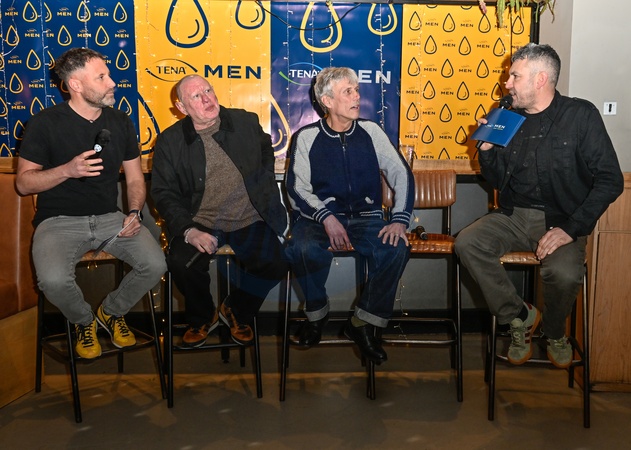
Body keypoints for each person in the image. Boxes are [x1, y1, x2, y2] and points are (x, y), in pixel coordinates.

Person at [456, 43, 623, 368]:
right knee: (467, 243)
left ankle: (555, 331)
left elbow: (611, 180)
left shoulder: (580, 115)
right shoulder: (507, 117)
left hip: (562, 219)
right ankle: (519, 316)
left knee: (564, 273)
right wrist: (487, 152)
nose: (507, 84)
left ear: (540, 79)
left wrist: (570, 229)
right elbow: (497, 179)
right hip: (513, 215)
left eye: (514, 76)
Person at [16, 48, 167, 359]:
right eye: (101, 77)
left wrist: (134, 212)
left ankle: (110, 312)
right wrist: (67, 170)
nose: (112, 82)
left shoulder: (120, 121)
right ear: (75, 85)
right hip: (58, 222)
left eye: (108, 74)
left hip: (110, 217)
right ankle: (84, 321)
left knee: (156, 265)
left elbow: (135, 179)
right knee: (53, 281)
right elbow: (23, 183)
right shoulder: (44, 123)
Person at [285, 67, 414, 364]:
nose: (357, 97)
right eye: (348, 92)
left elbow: (401, 173)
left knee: (396, 247)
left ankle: (362, 322)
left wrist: (399, 219)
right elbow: (296, 188)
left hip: (367, 217)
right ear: (327, 101)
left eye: (356, 90)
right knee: (301, 248)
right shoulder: (306, 136)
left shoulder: (371, 131)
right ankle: (317, 314)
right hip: (318, 219)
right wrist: (326, 217)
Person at [151, 74, 288, 347]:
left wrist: (263, 181)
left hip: (248, 217)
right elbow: (163, 193)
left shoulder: (245, 121)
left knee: (276, 263)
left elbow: (265, 149)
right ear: (181, 107)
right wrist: (188, 230)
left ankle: (237, 309)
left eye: (208, 91)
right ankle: (202, 316)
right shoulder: (170, 141)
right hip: (199, 220)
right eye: (196, 96)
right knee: (181, 263)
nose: (207, 99)